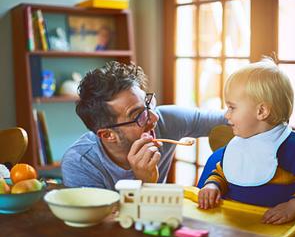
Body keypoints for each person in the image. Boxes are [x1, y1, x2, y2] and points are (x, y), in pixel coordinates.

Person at [61, 61, 227, 190]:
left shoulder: (167, 120)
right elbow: (106, 229)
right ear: (108, 135)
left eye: (148, 103)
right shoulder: (80, 164)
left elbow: (230, 118)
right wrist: (145, 183)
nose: (154, 117)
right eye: (138, 115)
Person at [197, 58, 295, 225]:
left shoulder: (292, 148)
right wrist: (213, 186)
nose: (226, 115)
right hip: (234, 224)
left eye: (232, 107)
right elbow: (223, 172)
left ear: (261, 111)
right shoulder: (237, 144)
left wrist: (293, 207)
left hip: (275, 231)